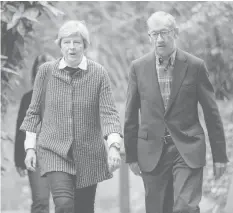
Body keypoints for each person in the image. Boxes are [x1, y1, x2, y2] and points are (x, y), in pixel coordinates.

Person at [124, 11, 228, 213]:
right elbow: (130, 116)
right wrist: (131, 156)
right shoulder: (138, 67)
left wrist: (220, 155)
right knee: (157, 209)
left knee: (185, 208)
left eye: (164, 32)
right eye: (154, 34)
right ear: (149, 36)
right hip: (152, 151)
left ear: (176, 33)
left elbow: (211, 113)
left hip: (187, 147)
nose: (159, 39)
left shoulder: (195, 66)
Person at [20, 20, 122, 213]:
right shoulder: (46, 72)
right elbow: (33, 112)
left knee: (83, 208)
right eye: (67, 42)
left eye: (77, 42)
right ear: (60, 45)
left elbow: (109, 113)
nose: (72, 47)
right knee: (64, 204)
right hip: (53, 151)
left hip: (88, 154)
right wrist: (30, 148)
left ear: (85, 45)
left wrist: (114, 147)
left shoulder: (98, 73)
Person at [14, 54, 54, 213]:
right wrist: (19, 159)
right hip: (37, 156)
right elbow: (21, 130)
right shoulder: (28, 99)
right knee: (41, 201)